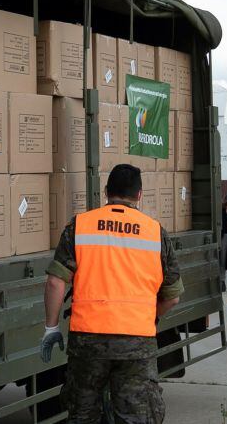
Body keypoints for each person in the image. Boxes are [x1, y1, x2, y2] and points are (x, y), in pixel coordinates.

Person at [39, 164, 182, 423]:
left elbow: (55, 282)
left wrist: (51, 328)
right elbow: (172, 296)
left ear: (106, 192)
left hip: (87, 342)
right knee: (136, 415)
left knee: (83, 414)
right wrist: (150, 318)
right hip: (136, 342)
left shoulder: (80, 226)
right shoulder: (155, 232)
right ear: (140, 195)